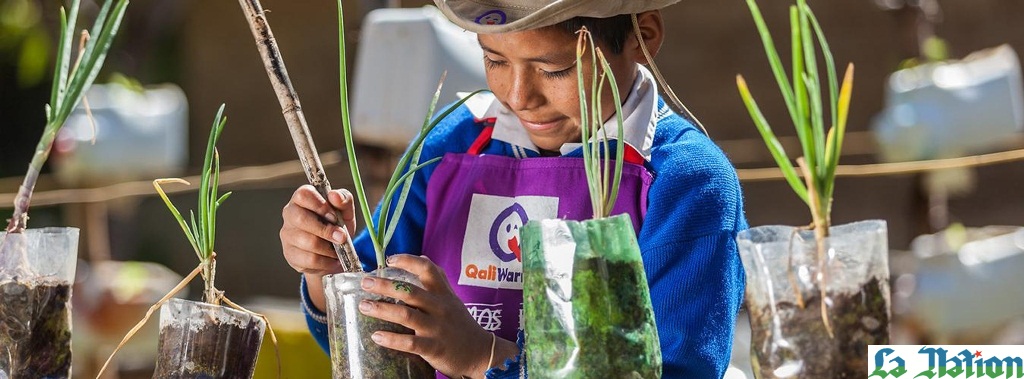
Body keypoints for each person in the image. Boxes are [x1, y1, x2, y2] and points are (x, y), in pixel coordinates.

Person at [280, 0, 747, 377]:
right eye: (495, 60)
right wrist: (324, 270)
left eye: (554, 68)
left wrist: (484, 356)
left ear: (642, 36)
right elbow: (374, 335)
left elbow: (682, 368)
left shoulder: (687, 181)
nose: (519, 95)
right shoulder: (453, 143)